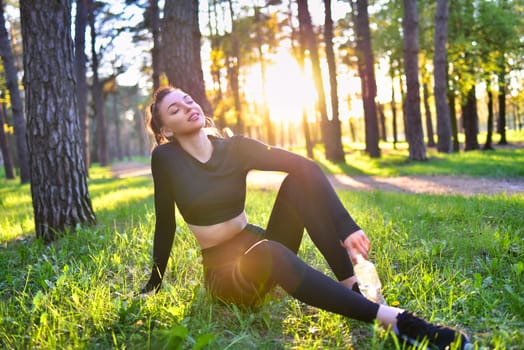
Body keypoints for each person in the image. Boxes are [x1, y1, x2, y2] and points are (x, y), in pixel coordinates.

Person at [140, 86, 470, 350]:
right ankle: (395, 321)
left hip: (259, 246)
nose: (188, 107)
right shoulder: (166, 159)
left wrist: (347, 226)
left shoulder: (234, 148)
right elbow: (165, 222)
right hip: (227, 275)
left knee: (298, 183)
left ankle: (351, 286)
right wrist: (153, 282)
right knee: (270, 251)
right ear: (166, 128)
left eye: (188, 100)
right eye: (175, 109)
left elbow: (306, 167)